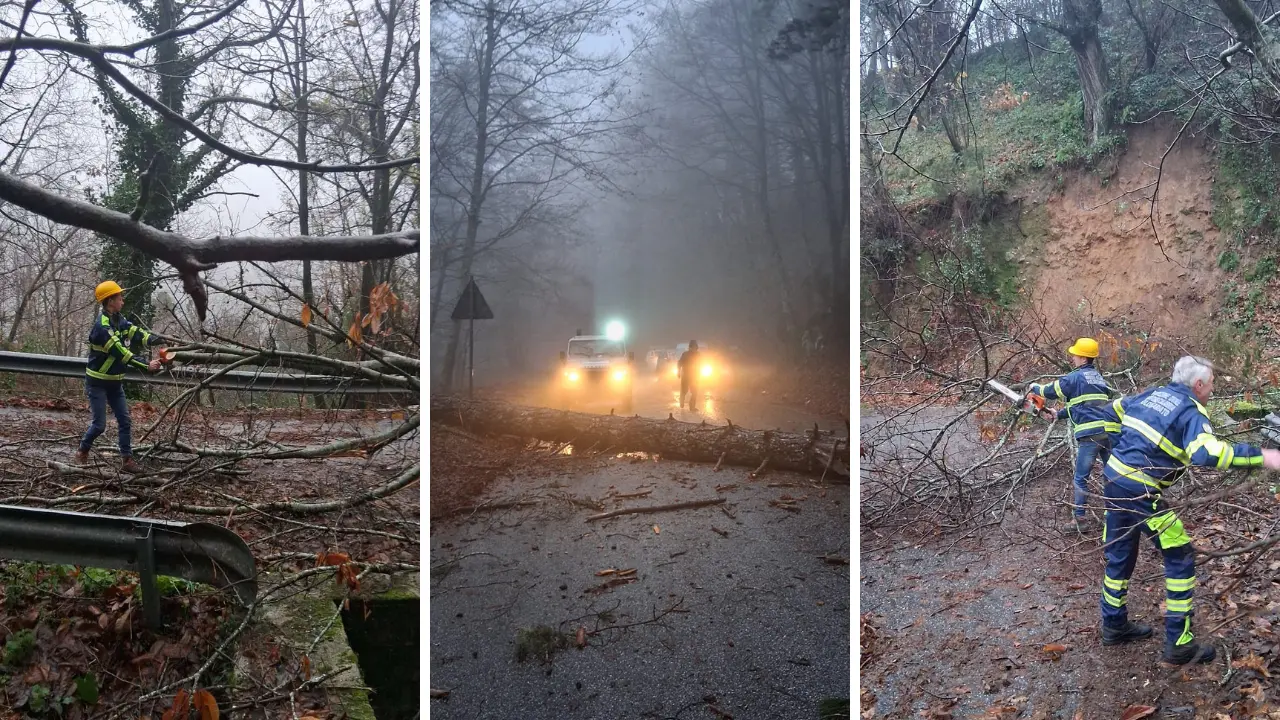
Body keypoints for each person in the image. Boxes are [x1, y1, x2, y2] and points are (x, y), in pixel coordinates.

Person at [1098, 356, 1280, 664]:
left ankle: (1113, 625)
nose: (1211, 390)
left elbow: (1112, 410)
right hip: (1141, 492)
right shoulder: (1191, 410)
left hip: (1114, 479)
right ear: (1198, 385)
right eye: (1210, 385)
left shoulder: (1152, 393)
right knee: (1180, 555)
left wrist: (1119, 449)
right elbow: (1206, 452)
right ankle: (1179, 643)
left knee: (1119, 555)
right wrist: (1263, 456)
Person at [1027, 337, 1121, 531]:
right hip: (1108, 431)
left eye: (1075, 355)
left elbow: (1050, 391)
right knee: (1112, 474)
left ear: (1083, 358)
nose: (1073, 358)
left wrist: (1034, 387)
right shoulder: (1098, 379)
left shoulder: (1076, 377)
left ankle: (1079, 519)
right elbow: (1084, 406)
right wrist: (1058, 414)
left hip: (1089, 435)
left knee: (1080, 477)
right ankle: (1115, 515)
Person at [75, 281, 167, 473]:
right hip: (98, 383)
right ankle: (82, 450)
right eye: (119, 297)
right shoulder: (102, 327)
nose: (122, 301)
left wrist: (156, 339)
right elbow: (121, 352)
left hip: (115, 382)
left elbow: (135, 332)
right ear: (110, 301)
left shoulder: (118, 319)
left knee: (125, 420)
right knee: (99, 425)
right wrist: (146, 365)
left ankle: (127, 461)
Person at [677, 340, 701, 410]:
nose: (694, 349)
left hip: (695, 376)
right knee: (684, 390)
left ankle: (692, 407)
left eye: (695, 347)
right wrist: (678, 372)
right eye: (692, 347)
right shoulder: (685, 354)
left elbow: (701, 363)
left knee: (694, 391)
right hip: (686, 376)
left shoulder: (698, 355)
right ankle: (681, 401)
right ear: (690, 347)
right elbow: (679, 363)